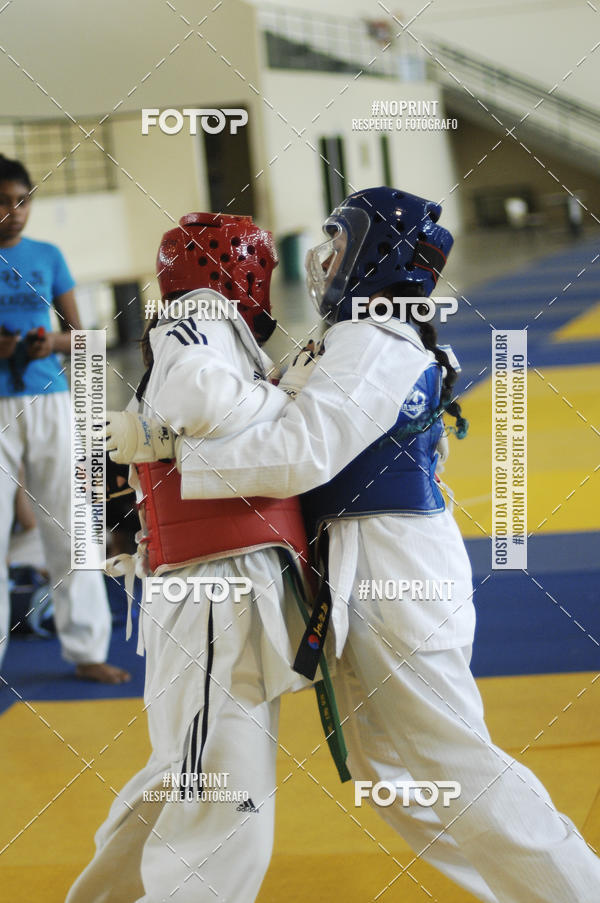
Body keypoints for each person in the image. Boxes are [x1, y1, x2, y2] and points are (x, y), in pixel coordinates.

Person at [157, 188, 600, 902]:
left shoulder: (378, 337)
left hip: (395, 571)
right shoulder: (355, 334)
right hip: (364, 567)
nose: (324, 262)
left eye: (338, 245)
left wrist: (174, 462)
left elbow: (303, 450)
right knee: (397, 779)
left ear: (375, 253)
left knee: (452, 761)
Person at [67, 212, 339, 903]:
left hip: (218, 591)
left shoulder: (209, 328)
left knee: (185, 779)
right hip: (215, 593)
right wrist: (285, 397)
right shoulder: (197, 318)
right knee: (224, 812)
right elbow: (202, 399)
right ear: (236, 268)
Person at [0, 154, 129, 683]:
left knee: (71, 523)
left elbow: (84, 339)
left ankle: (87, 647)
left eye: (21, 200)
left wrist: (45, 342)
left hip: (49, 400)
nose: (14, 211)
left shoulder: (48, 256)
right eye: (3, 201)